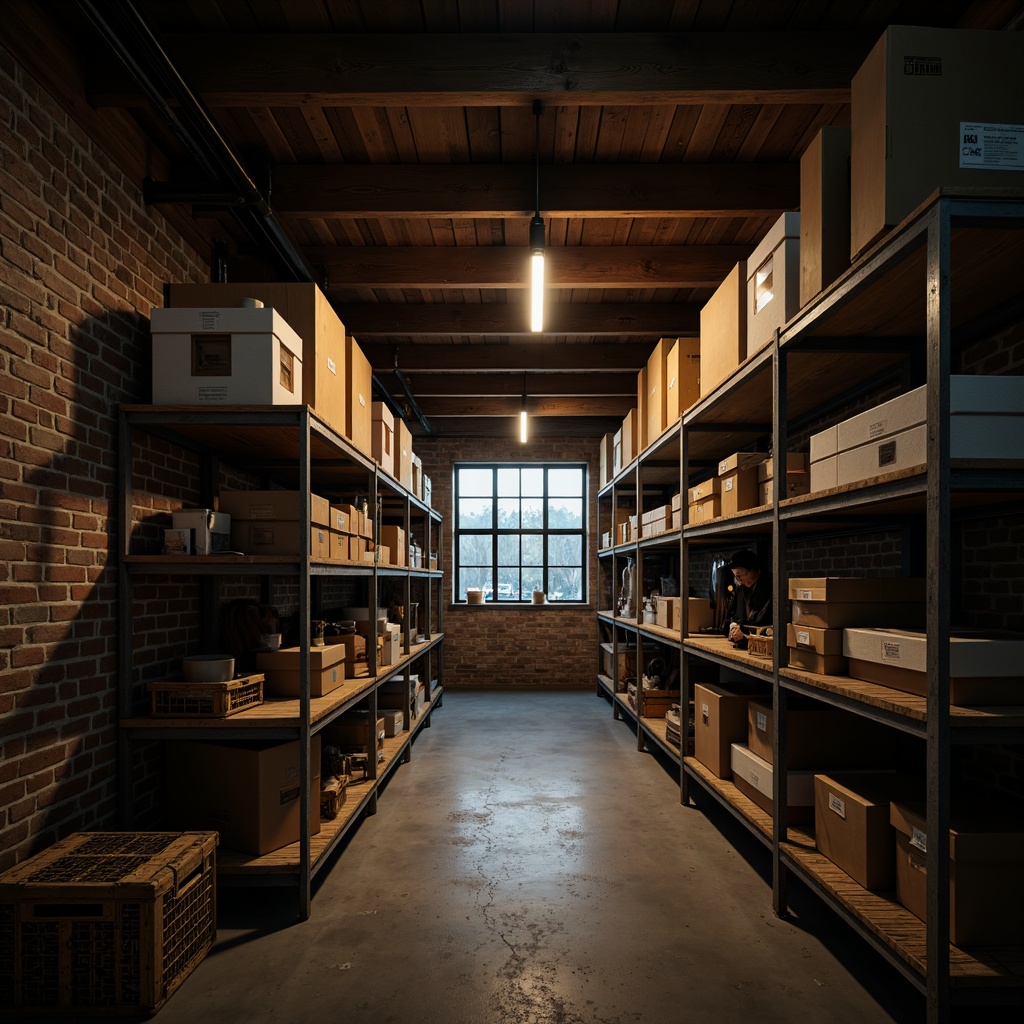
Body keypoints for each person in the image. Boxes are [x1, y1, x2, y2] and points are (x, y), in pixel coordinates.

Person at [721, 549, 771, 648]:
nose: (738, 579)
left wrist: (745, 633)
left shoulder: (769, 586)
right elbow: (735, 615)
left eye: (741, 575)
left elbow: (763, 621)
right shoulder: (741, 588)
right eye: (736, 576)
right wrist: (734, 627)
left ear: (753, 570)